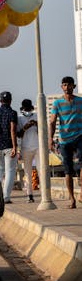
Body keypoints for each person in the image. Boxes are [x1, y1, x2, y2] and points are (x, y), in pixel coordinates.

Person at [49, 76, 82, 209]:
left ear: (73, 86)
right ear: (61, 87)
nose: (67, 87)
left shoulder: (80, 101)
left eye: (69, 85)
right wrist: (50, 139)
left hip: (80, 136)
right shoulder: (57, 103)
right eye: (64, 85)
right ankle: (72, 199)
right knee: (68, 171)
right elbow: (52, 121)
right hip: (64, 140)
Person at [17, 98, 38, 203]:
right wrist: (25, 127)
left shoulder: (36, 115)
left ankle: (45, 194)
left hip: (37, 146)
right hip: (26, 147)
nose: (27, 111)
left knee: (42, 170)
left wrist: (36, 124)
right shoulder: (20, 117)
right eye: (26, 109)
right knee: (27, 172)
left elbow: (43, 130)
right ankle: (29, 195)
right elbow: (18, 134)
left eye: (29, 108)